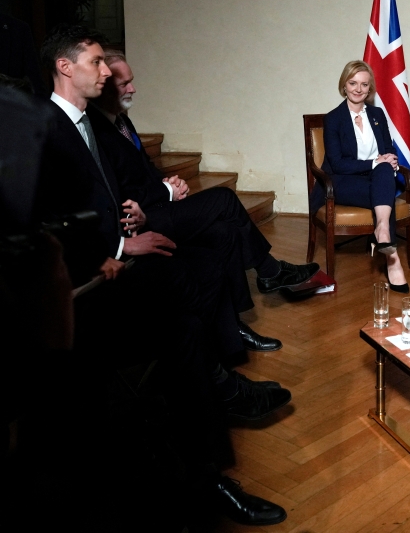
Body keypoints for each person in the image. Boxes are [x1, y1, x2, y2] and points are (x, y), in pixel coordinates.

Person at [33, 26, 290, 526]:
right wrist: (120, 244)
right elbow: (43, 220)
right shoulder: (45, 128)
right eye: (95, 62)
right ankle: (220, 398)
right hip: (82, 295)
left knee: (186, 323)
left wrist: (133, 216)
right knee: (182, 286)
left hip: (117, 269)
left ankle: (207, 470)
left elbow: (106, 199)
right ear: (65, 67)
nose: (106, 72)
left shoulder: (87, 125)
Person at [88, 49, 319, 352]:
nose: (132, 89)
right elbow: (120, 195)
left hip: (158, 207)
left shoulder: (121, 121)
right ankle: (270, 272)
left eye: (131, 81)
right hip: (140, 223)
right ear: (103, 85)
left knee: (225, 231)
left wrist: (168, 181)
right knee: (223, 198)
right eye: (123, 84)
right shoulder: (97, 131)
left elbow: (144, 170)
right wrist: (166, 192)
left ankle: (233, 326)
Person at [311, 60, 408, 291]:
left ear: (370, 88)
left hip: (376, 179)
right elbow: (337, 164)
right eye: (353, 83)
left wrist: (391, 158)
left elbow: (387, 148)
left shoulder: (377, 114)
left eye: (364, 84)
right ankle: (393, 262)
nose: (358, 89)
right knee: (383, 189)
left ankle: (382, 229)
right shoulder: (333, 118)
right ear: (344, 85)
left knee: (385, 170)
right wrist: (376, 162)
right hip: (341, 182)